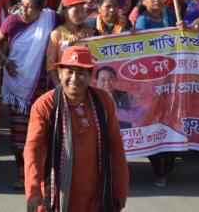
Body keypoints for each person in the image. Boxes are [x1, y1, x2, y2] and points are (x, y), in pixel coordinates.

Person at [25, 46, 129, 211]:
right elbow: (33, 149)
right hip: (55, 197)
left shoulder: (103, 101)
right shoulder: (45, 105)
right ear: (59, 73)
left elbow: (116, 147)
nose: (74, 78)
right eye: (69, 71)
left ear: (90, 76)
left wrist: (121, 189)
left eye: (81, 72)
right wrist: (33, 189)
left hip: (96, 198)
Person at [0, 0, 56, 189]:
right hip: (16, 85)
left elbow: (72, 26)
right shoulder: (12, 21)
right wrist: (5, 61)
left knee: (40, 131)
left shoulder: (50, 18)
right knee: (19, 131)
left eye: (30, 7)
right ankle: (22, 173)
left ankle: (39, 173)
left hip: (41, 86)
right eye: (23, 5)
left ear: (41, 10)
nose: (25, 10)